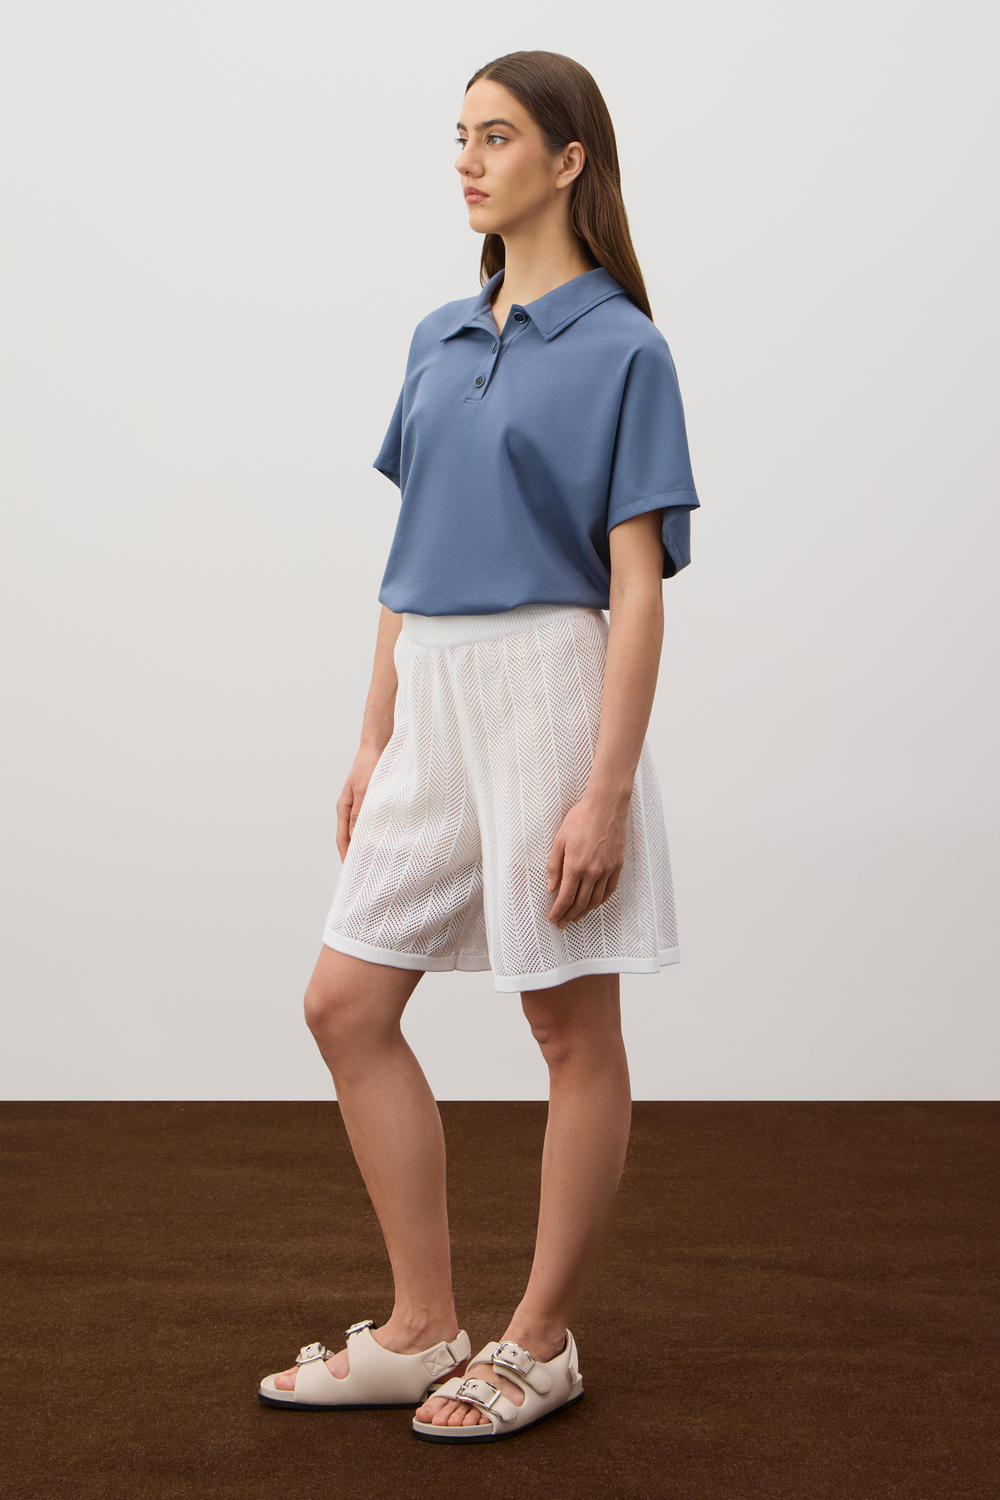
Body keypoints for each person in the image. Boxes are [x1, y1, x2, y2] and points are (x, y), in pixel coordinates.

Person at [257, 49, 699, 1443]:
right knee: (345, 1004)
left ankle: (541, 1341)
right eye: (460, 135)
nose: (466, 159)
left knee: (567, 1024)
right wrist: (372, 733)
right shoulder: (439, 337)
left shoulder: (626, 348)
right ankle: (421, 1327)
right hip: (431, 693)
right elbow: (409, 553)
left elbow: (637, 587)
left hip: (549, 693)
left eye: (496, 136)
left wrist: (605, 788)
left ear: (568, 161)